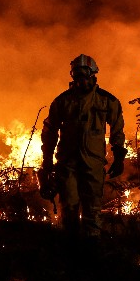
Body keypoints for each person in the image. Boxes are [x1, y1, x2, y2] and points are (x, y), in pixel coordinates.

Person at [40, 54, 126, 244]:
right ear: (72, 76)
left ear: (94, 75)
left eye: (84, 75)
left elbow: (117, 130)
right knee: (69, 206)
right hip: (67, 162)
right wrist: (47, 161)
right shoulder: (62, 101)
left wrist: (119, 155)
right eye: (77, 76)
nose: (81, 80)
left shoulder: (107, 101)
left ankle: (91, 249)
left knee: (92, 208)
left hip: (93, 162)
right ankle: (69, 249)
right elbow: (49, 131)